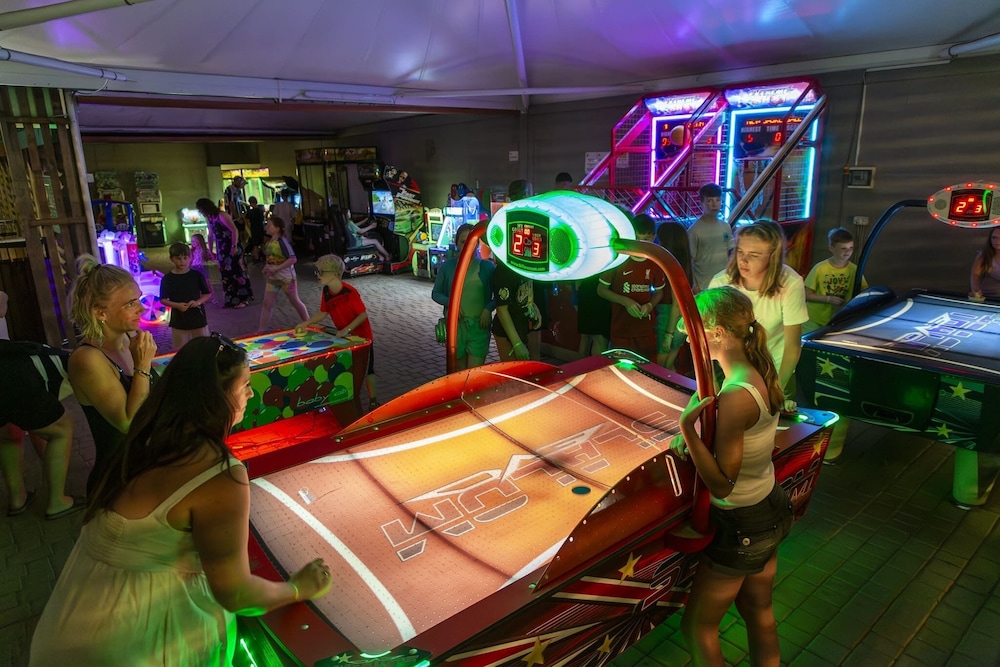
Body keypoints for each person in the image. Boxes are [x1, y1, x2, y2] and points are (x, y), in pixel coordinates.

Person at [29, 335, 333, 665]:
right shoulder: (219, 474)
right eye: (245, 385)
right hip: (139, 643)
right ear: (215, 396)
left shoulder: (147, 437)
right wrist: (298, 588)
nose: (250, 394)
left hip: (71, 623)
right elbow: (235, 593)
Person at [669, 286, 793, 667]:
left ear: (718, 333)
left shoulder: (736, 394)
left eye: (694, 331)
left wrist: (687, 430)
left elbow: (723, 483)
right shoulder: (755, 369)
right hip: (769, 505)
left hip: (741, 524)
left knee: (698, 628)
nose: (687, 338)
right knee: (759, 611)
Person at [68, 255, 158, 495]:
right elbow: (128, 423)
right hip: (119, 483)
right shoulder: (88, 359)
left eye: (139, 299)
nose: (142, 308)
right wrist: (142, 366)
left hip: (148, 471)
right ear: (101, 313)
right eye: (130, 304)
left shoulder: (130, 339)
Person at [708, 220, 808, 407]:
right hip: (733, 373)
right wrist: (711, 386)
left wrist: (775, 392)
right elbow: (704, 341)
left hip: (777, 371)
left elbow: (793, 347)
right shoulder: (720, 283)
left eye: (754, 255)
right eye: (740, 251)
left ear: (773, 256)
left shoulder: (790, 283)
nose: (743, 260)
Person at [1, 340, 82, 520]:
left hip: (7, 365)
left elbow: (37, 423)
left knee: (9, 433)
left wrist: (51, 459)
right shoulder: (74, 366)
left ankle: (17, 499)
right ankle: (57, 502)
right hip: (12, 373)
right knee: (62, 428)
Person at [295, 255, 380, 410]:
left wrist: (347, 329)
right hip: (345, 338)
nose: (318, 275)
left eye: (322, 272)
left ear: (334, 274)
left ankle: (373, 400)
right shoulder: (326, 291)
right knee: (351, 368)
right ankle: (351, 396)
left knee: (368, 369)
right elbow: (323, 312)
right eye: (318, 272)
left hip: (363, 337)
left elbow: (362, 315)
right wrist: (306, 323)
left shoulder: (349, 292)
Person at [597, 214, 666, 360]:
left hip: (645, 330)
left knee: (647, 368)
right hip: (621, 328)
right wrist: (626, 301)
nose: (640, 243)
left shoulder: (656, 261)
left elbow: (659, 292)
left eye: (645, 239)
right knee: (621, 367)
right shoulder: (618, 258)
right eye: (637, 238)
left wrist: (650, 305)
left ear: (653, 237)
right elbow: (601, 290)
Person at [432, 223, 495, 370]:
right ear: (456, 244)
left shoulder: (487, 268)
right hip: (456, 327)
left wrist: (488, 308)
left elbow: (500, 295)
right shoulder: (448, 267)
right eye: (462, 242)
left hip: (479, 327)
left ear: (477, 243)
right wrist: (451, 304)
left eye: (471, 241)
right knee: (458, 375)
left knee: (473, 375)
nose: (467, 246)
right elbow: (436, 293)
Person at [492, 179, 540, 361]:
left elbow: (525, 290)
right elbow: (502, 309)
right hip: (507, 330)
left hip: (521, 323)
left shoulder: (526, 265)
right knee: (512, 373)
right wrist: (517, 343)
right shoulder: (504, 270)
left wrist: (533, 307)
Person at [803, 227, 868, 333]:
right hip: (815, 320)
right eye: (843, 248)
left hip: (840, 319)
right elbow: (806, 294)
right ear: (832, 248)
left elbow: (865, 292)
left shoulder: (855, 270)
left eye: (851, 248)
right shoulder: (820, 268)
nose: (848, 252)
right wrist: (828, 299)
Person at [196, 198, 254, 309]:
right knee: (226, 274)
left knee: (237, 272)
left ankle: (243, 299)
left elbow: (234, 230)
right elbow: (210, 234)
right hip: (222, 250)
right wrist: (211, 250)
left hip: (231, 247)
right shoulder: (210, 218)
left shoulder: (221, 215)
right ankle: (231, 299)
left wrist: (234, 246)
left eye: (201, 210)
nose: (201, 213)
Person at [258, 216, 310, 331]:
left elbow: (293, 259)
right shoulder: (271, 242)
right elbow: (271, 259)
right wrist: (267, 267)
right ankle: (261, 330)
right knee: (267, 304)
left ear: (277, 228)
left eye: (270, 225)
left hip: (286, 278)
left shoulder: (282, 242)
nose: (267, 227)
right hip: (273, 278)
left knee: (295, 301)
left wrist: (276, 268)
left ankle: (308, 322)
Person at [655, 220, 694, 370]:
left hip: (668, 321)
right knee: (669, 367)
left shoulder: (671, 267)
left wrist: (668, 334)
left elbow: (675, 305)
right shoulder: (685, 265)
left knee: (661, 368)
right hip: (682, 321)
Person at [159, 242, 212, 350]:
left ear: (190, 258)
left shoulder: (196, 275)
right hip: (179, 319)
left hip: (197, 317)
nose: (182, 262)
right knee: (180, 348)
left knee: (203, 346)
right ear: (172, 259)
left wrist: (198, 302)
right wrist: (177, 305)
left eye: (185, 258)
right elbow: (163, 299)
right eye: (178, 258)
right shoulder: (167, 278)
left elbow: (207, 293)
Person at [689, 183, 732, 293]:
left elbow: (731, 254)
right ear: (701, 203)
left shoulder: (726, 227)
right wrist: (695, 285)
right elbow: (689, 262)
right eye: (709, 201)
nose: (714, 204)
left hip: (724, 283)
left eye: (718, 200)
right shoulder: (694, 230)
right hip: (704, 286)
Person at [969, 226, 1000, 301]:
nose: (997, 241)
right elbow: (975, 275)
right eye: (994, 238)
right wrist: (976, 291)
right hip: (988, 297)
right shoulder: (984, 255)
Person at [189, 232, 216, 304]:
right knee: (197, 285)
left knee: (207, 284)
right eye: (192, 241)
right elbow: (191, 260)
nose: (192, 243)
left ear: (200, 241)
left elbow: (212, 257)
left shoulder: (205, 251)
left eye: (194, 241)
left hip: (203, 268)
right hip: (194, 268)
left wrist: (212, 257)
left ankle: (213, 297)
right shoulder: (192, 251)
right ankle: (201, 299)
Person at [244, 195, 266, 263]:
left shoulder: (251, 212)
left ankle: (257, 258)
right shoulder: (260, 210)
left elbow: (246, 218)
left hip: (254, 229)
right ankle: (266, 256)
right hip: (261, 228)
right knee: (262, 244)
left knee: (255, 245)